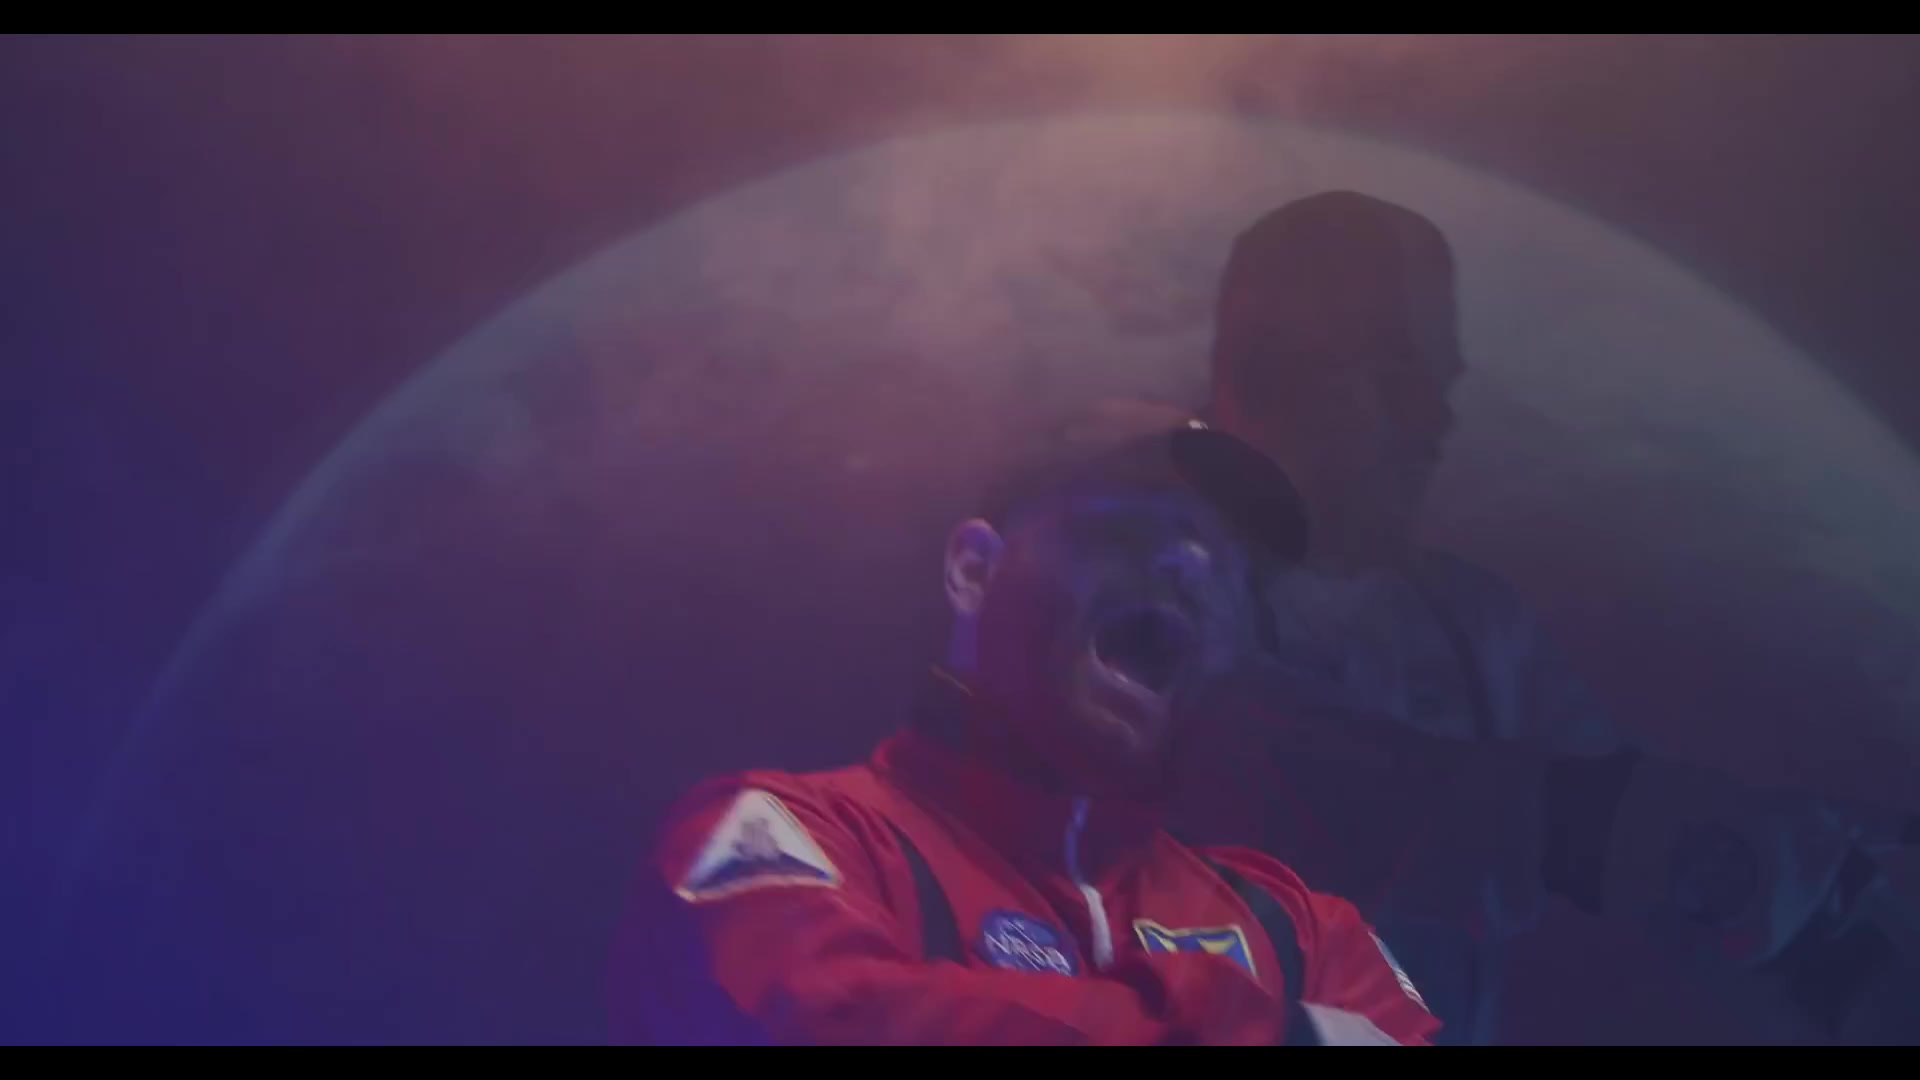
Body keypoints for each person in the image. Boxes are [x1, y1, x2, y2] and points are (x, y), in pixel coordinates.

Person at [1191, 190, 1918, 1043]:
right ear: (1265, 376)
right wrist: (1612, 837)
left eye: (1439, 383)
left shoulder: (1467, 621)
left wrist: (1826, 865)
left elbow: (1606, 781)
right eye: (1395, 380)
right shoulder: (1149, 594)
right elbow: (1308, 782)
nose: (1435, 421)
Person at [608, 407, 1439, 1045]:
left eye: (1227, 569)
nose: (1189, 568)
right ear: (974, 570)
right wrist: (1257, 1029)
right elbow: (826, 1024)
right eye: (1133, 527)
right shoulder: (788, 833)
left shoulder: (1297, 927)